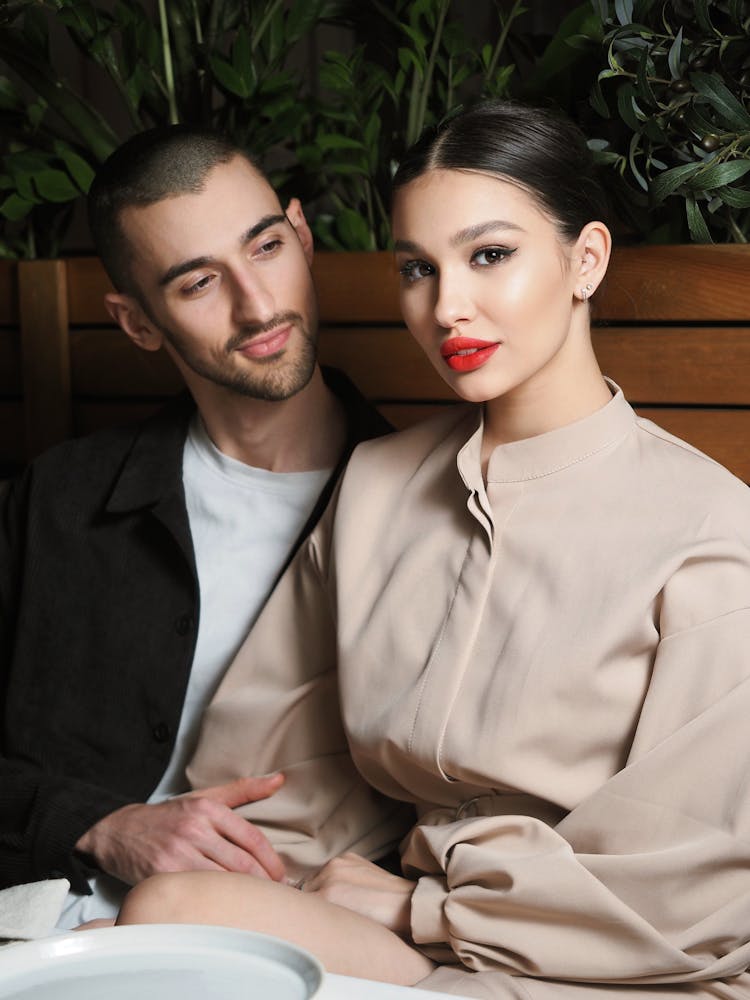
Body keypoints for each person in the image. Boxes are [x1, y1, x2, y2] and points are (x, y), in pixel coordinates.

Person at [117, 100, 750, 999]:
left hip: (622, 964)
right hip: (415, 937)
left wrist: (424, 913)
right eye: (419, 268)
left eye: (490, 255)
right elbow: (268, 786)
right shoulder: (376, 486)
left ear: (586, 260)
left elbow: (696, 893)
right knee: (166, 917)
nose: (447, 306)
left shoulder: (711, 532)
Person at [0, 125, 408, 931]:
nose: (259, 305)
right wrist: (97, 824)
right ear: (138, 322)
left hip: (280, 944)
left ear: (301, 235)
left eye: (265, 247)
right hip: (43, 932)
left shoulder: (423, 507)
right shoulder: (59, 499)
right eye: (197, 283)